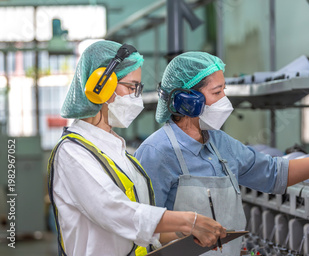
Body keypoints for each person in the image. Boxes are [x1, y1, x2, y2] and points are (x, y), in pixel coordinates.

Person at [134, 52, 309, 255]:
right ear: (187, 101)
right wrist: (187, 233)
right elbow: (141, 225)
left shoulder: (221, 145)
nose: (225, 100)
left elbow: (277, 173)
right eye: (217, 92)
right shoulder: (157, 152)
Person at [48, 42, 225, 256]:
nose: (136, 98)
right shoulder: (72, 153)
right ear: (100, 87)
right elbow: (117, 212)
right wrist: (189, 221)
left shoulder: (118, 151)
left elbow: (140, 227)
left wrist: (182, 234)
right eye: (132, 88)